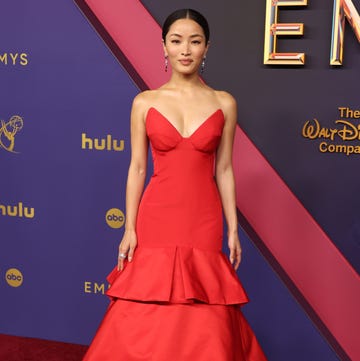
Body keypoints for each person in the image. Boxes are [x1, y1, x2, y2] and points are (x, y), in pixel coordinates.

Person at [83, 9, 267, 361]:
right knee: (148, 302)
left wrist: (233, 228)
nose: (185, 50)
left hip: (204, 218)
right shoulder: (145, 102)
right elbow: (137, 168)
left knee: (204, 305)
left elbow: (225, 169)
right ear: (164, 46)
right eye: (176, 41)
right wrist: (129, 227)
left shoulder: (224, 102)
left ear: (206, 48)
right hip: (157, 216)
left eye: (195, 42)